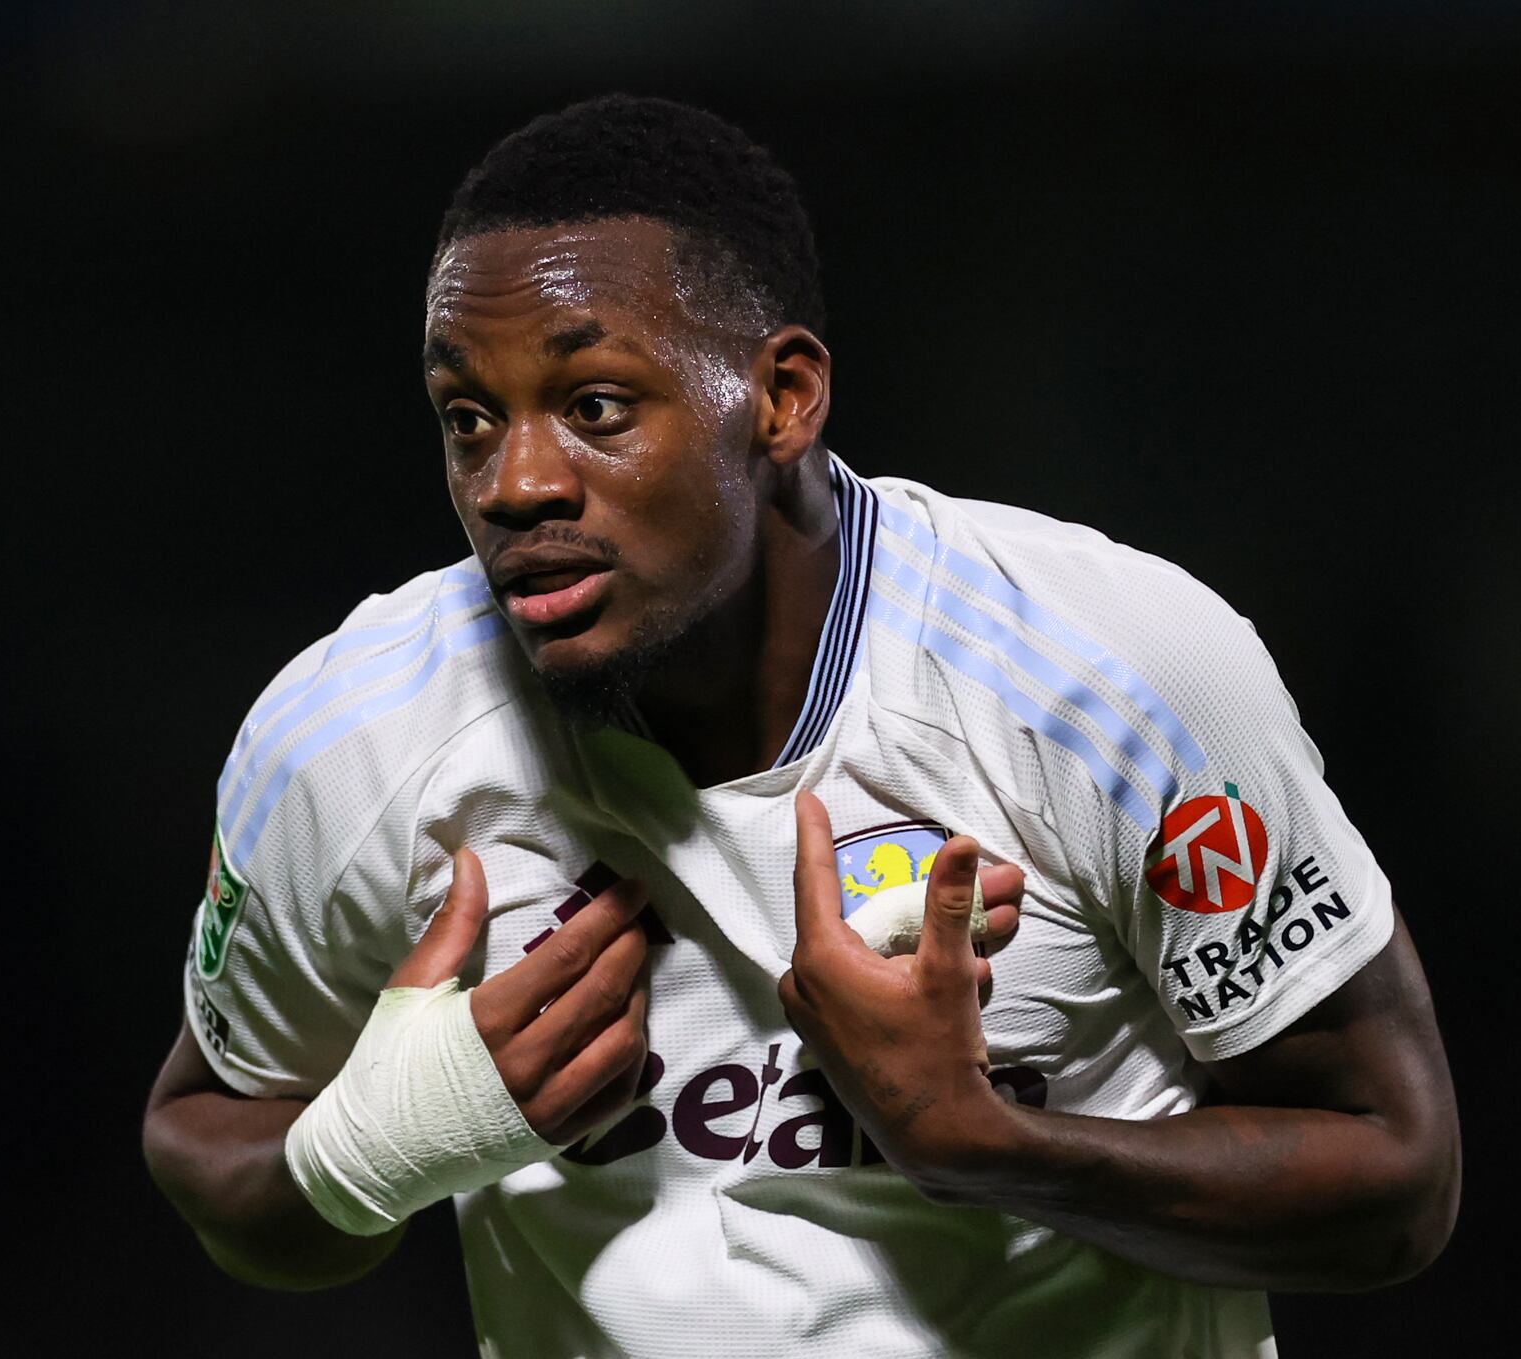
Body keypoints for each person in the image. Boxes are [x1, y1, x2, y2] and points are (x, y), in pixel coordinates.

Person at [142, 94, 1458, 1356]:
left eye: (594, 407)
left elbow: (1397, 1185)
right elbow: (204, 1139)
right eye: (469, 419)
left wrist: (987, 1147)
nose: (515, 482)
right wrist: (369, 1150)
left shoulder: (1115, 678)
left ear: (782, 398)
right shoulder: (349, 746)